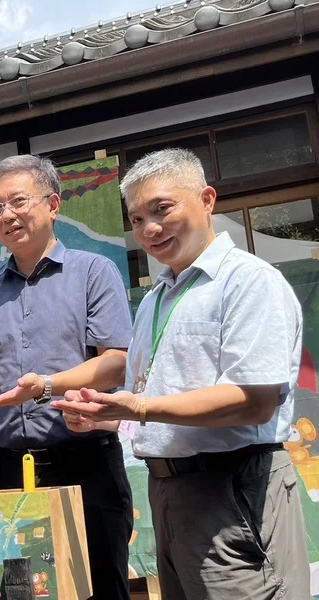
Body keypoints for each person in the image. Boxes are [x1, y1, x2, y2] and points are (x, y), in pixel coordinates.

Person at [53, 148, 309, 599]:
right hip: (168, 490)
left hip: (234, 487)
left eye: (162, 209)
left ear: (207, 200)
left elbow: (255, 399)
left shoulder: (249, 281)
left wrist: (141, 406)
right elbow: (153, 401)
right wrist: (106, 417)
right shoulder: (156, 299)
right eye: (136, 220)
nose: (150, 229)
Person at [0, 154, 134, 600]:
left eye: (17, 201)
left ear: (52, 205)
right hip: (15, 471)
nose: (7, 215)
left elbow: (116, 360)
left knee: (101, 589)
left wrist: (49, 386)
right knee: (23, 594)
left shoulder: (93, 271)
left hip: (88, 464)